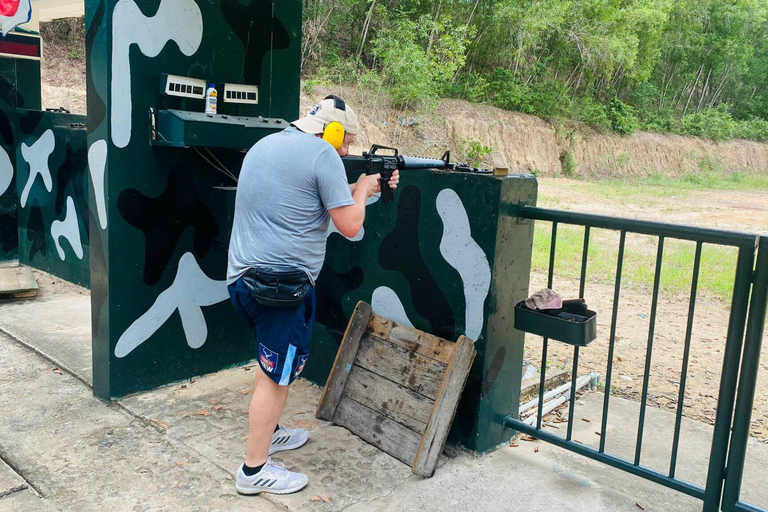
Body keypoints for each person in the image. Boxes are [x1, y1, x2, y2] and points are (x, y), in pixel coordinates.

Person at [226, 95, 399, 495]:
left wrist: (361, 192)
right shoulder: (322, 155)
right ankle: (254, 471)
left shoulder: (265, 145)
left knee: (272, 365)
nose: (346, 151)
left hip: (244, 281)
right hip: (279, 290)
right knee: (276, 377)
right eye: (346, 143)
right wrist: (360, 189)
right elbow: (351, 226)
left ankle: (270, 433)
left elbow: (310, 209)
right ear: (333, 131)